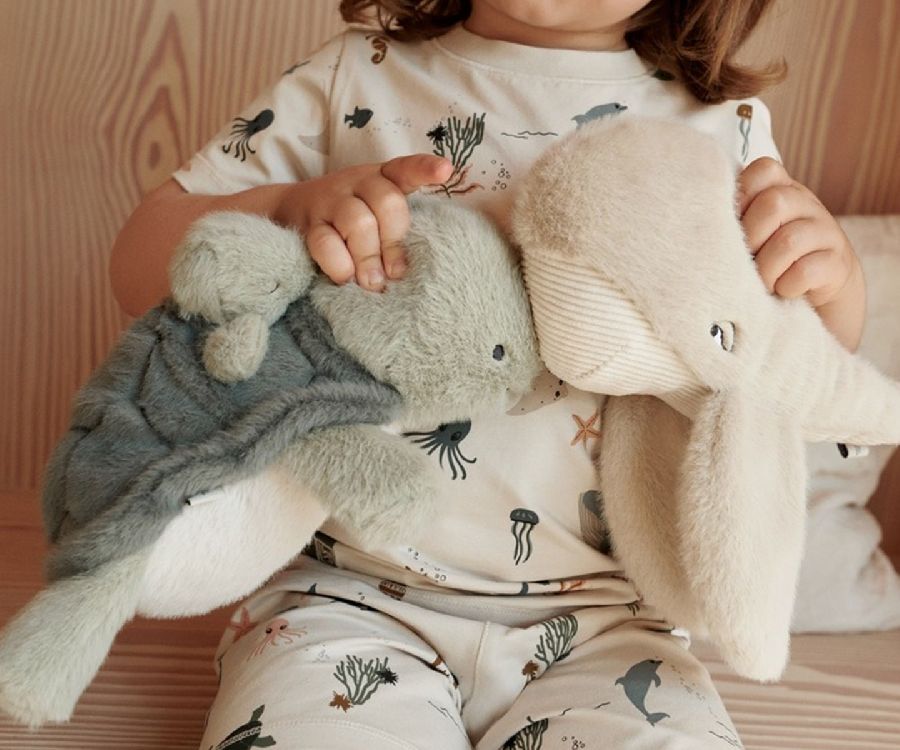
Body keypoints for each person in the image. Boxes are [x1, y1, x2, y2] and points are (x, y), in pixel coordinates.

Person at [110, 1, 866, 747]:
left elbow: (790, 369)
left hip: (614, 623)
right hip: (344, 594)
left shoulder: (722, 127)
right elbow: (139, 260)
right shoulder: (351, 76)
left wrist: (833, 283)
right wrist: (286, 210)